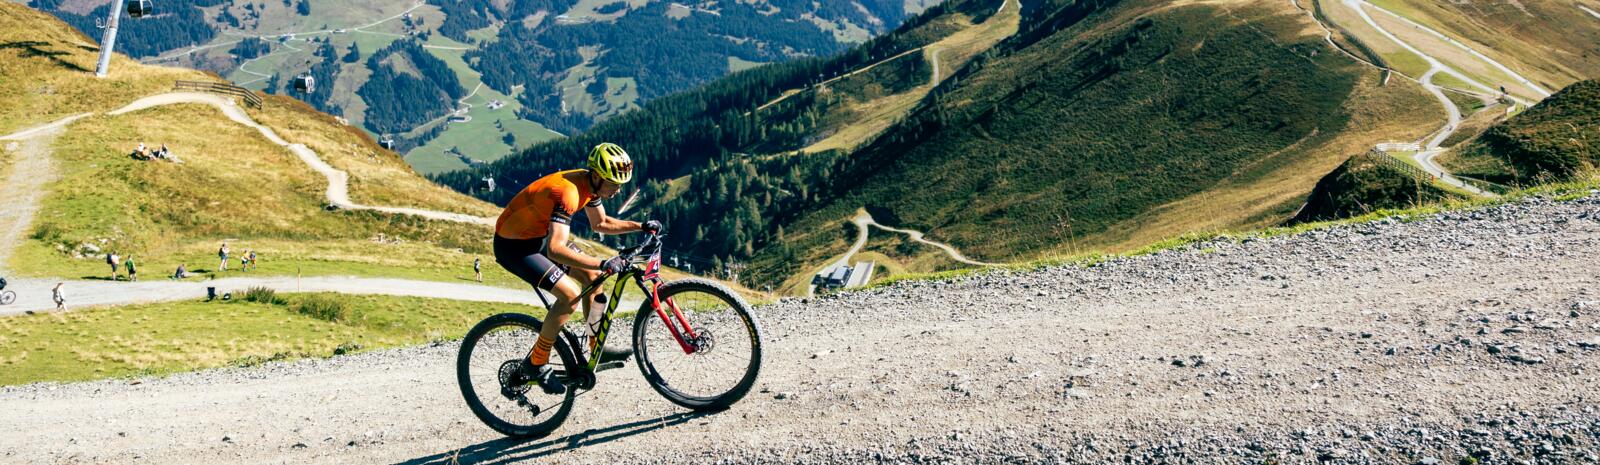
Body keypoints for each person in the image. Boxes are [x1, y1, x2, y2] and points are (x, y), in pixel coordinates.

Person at [494, 142, 659, 394]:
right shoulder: (568, 193)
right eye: (613, 184)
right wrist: (604, 262)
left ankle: (595, 347)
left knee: (593, 276)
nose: (617, 190)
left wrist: (640, 226)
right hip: (515, 247)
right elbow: (556, 249)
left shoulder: (590, 186)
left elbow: (601, 223)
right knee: (569, 294)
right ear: (596, 176)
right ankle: (536, 362)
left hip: (535, 239)